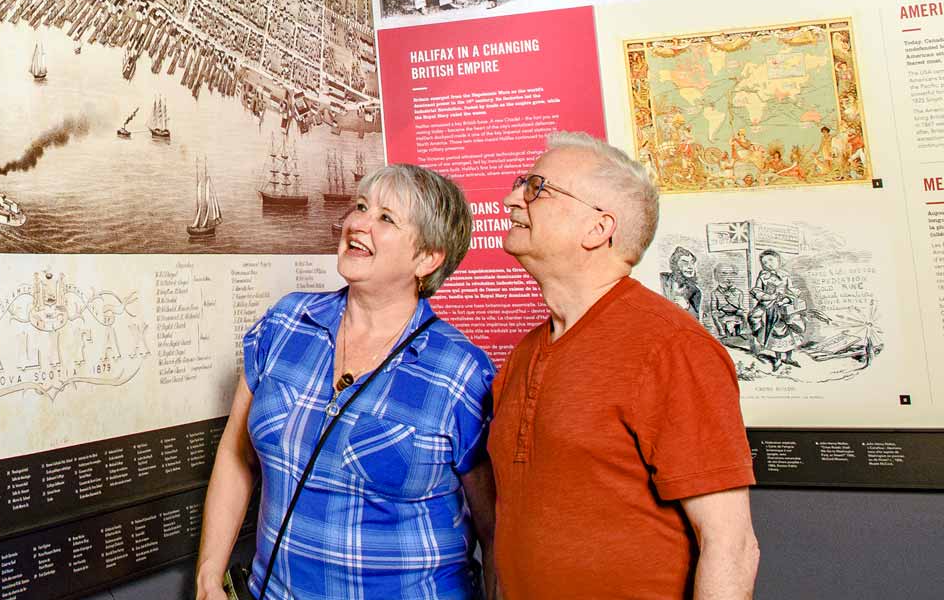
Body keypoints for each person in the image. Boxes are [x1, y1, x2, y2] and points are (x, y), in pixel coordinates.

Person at [198, 164, 495, 600]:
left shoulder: (461, 371)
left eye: (386, 218)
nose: (357, 222)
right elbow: (236, 453)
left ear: (427, 257)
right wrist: (209, 577)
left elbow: (494, 529)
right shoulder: (284, 323)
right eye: (360, 207)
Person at [493, 132, 759, 600]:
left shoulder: (672, 347)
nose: (512, 199)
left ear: (598, 229)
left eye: (537, 187)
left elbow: (731, 545)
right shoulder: (526, 353)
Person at [661, 245, 703, 319]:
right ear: (675, 265)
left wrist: (687, 307)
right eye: (685, 263)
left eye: (692, 263)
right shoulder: (662, 279)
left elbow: (696, 319)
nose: (690, 267)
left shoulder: (695, 291)